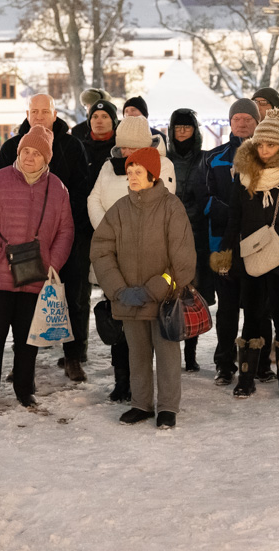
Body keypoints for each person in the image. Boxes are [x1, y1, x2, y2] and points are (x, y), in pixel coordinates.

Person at [211, 109, 279, 399]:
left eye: (270, 145)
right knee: (252, 316)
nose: (264, 150)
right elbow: (234, 219)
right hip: (251, 255)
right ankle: (246, 378)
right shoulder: (243, 176)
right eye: (260, 145)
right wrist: (225, 254)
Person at [0, 125, 74, 410]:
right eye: (25, 151)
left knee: (28, 338)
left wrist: (51, 263)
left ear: (46, 158)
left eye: (36, 153)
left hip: (35, 274)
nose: (29, 157)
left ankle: (24, 389)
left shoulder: (58, 188)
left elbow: (66, 231)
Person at [91, 146, 195, 428]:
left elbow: (183, 261)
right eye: (130, 172)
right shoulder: (119, 209)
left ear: (153, 175)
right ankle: (141, 404)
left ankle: (168, 407)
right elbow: (101, 250)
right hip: (128, 299)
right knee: (136, 354)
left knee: (167, 354)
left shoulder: (171, 207)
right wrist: (119, 290)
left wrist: (154, 290)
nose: (132, 177)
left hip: (163, 301)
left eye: (138, 172)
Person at [0, 94, 91, 382]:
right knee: (22, 302)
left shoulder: (73, 147)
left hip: (66, 238)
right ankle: (21, 362)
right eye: (33, 111)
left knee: (72, 299)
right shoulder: (13, 147)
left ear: (54, 114)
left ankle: (73, 357)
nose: (38, 116)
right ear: (27, 113)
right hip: (22, 242)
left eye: (44, 111)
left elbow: (82, 193)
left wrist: (61, 228)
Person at [87, 115, 176, 402]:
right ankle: (123, 380)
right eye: (121, 146)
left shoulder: (163, 166)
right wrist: (110, 232)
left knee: (152, 328)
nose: (124, 153)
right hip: (114, 256)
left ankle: (160, 394)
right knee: (119, 321)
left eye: (130, 147)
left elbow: (161, 207)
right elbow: (94, 199)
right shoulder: (108, 166)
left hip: (150, 260)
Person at [196, 99, 275, 386]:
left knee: (260, 309)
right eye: (237, 119)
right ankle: (224, 364)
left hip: (259, 245)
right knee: (227, 311)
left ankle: (261, 362)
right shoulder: (213, 157)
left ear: (257, 122)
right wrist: (231, 213)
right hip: (223, 246)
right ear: (229, 123)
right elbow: (201, 198)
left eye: (248, 119)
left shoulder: (270, 155)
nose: (242, 124)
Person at [166, 107, 213, 372]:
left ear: (195, 131)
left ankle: (191, 354)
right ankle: (171, 347)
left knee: (192, 294)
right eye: (178, 128)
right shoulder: (165, 159)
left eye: (187, 128)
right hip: (170, 236)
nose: (182, 132)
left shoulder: (205, 159)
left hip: (197, 236)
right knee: (169, 294)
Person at [81, 99, 119, 189]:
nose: (99, 121)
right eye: (94, 117)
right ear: (90, 121)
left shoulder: (120, 148)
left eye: (104, 117)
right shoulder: (80, 148)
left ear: (113, 121)